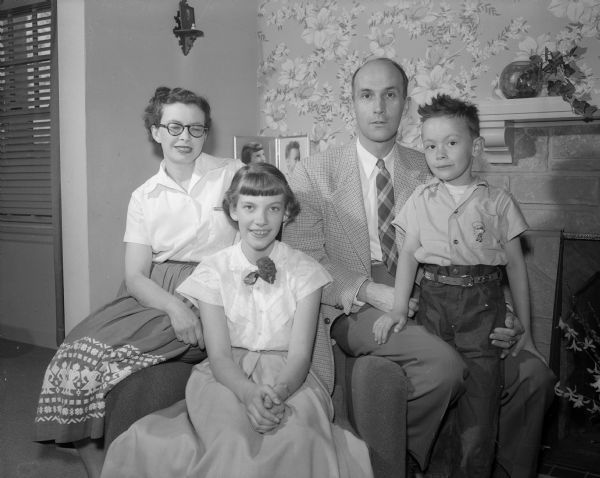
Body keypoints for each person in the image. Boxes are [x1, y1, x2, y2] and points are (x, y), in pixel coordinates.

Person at [282, 57, 556, 478]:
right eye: (367, 96)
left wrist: (506, 315)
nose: (378, 107)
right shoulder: (314, 171)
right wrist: (370, 291)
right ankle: (406, 460)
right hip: (354, 302)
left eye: (390, 95)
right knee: (444, 367)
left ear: (405, 104)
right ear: (351, 104)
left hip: (442, 297)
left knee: (534, 374)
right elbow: (303, 259)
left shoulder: (429, 160)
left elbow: (472, 247)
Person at [100, 162, 374, 478]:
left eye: (273, 208)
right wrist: (247, 393)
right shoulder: (213, 271)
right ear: (233, 211)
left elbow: (300, 355)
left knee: (298, 439)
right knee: (231, 442)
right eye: (249, 207)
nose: (260, 220)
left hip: (290, 376)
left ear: (286, 213)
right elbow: (219, 355)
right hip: (226, 375)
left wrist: (279, 393)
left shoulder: (305, 271)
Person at [33, 86, 242, 478]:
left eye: (196, 129)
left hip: (214, 285)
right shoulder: (144, 196)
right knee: (74, 356)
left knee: (115, 364)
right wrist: (174, 306)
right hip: (156, 292)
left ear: (206, 133)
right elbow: (134, 275)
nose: (185, 137)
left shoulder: (231, 175)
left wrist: (199, 300)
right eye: (175, 127)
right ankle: (102, 471)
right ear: (156, 131)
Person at [373, 94, 546, 477]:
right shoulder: (419, 199)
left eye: (451, 142)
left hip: (483, 309)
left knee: (479, 414)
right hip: (434, 303)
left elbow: (517, 269)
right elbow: (409, 256)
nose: (440, 153)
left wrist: (528, 334)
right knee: (441, 402)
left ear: (477, 146)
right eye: (430, 145)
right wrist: (400, 308)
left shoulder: (498, 203)